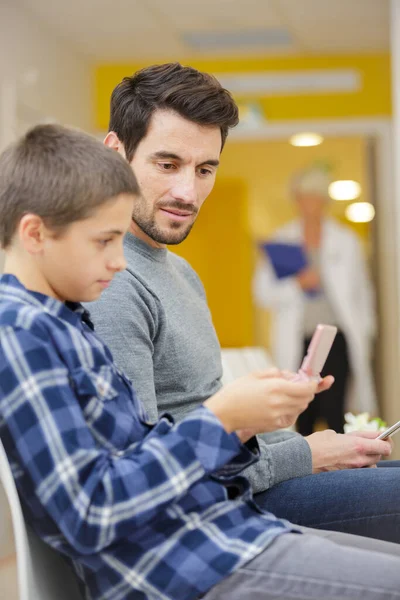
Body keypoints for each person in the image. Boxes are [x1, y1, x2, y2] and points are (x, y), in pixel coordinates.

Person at [2, 126, 400, 600]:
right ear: (35, 233)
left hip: (215, 529)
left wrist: (245, 424)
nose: (121, 261)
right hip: (183, 564)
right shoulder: (21, 331)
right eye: (104, 241)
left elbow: (142, 454)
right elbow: (92, 511)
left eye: (205, 168)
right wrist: (224, 419)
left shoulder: (66, 320)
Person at [87, 63, 400, 545]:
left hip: (251, 476)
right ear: (114, 155)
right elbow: (146, 471)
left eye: (205, 169)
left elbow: (205, 415)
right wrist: (307, 454)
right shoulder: (112, 282)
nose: (187, 193)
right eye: (167, 164)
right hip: (220, 507)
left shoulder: (180, 273)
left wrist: (295, 434)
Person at [253, 164, 376, 435]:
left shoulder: (346, 241)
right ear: (296, 200)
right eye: (305, 197)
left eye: (317, 198)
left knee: (335, 411)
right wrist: (296, 284)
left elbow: (362, 294)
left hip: (337, 339)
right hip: (299, 338)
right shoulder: (281, 240)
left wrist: (366, 333)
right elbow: (262, 294)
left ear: (325, 202)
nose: (311, 204)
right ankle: (311, 472)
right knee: (303, 412)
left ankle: (345, 473)